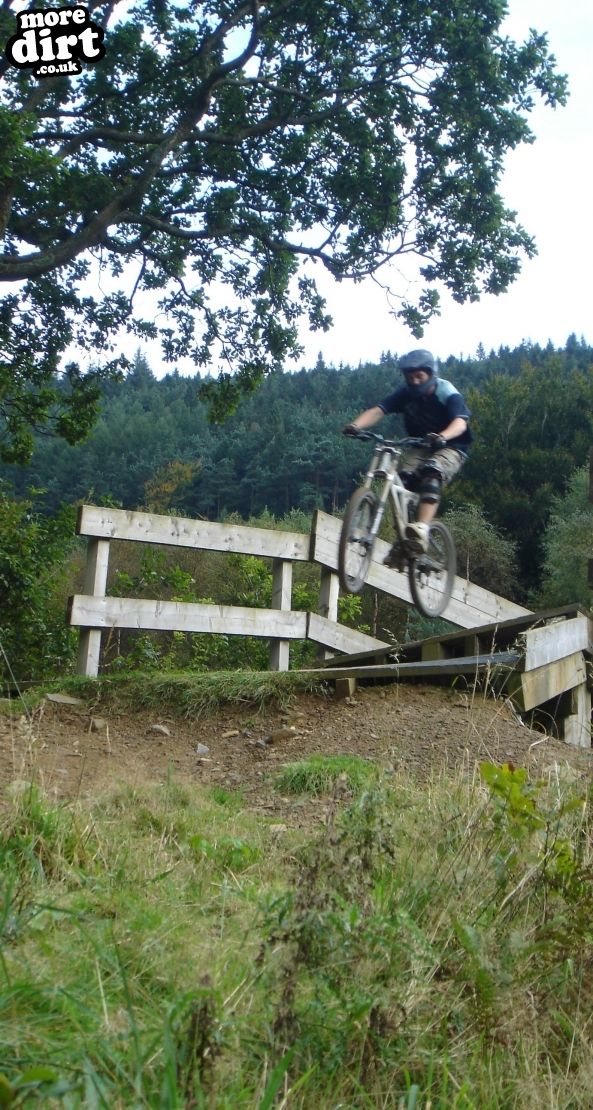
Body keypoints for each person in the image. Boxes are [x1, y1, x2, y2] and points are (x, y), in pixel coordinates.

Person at [342, 349, 472, 556]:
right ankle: (406, 542)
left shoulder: (446, 391)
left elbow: (460, 423)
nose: (415, 381)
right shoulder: (405, 393)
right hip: (420, 445)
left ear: (430, 374)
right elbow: (379, 410)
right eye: (411, 377)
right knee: (403, 482)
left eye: (419, 376)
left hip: (452, 446)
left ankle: (421, 529)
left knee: (431, 473)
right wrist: (355, 426)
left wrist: (443, 436)